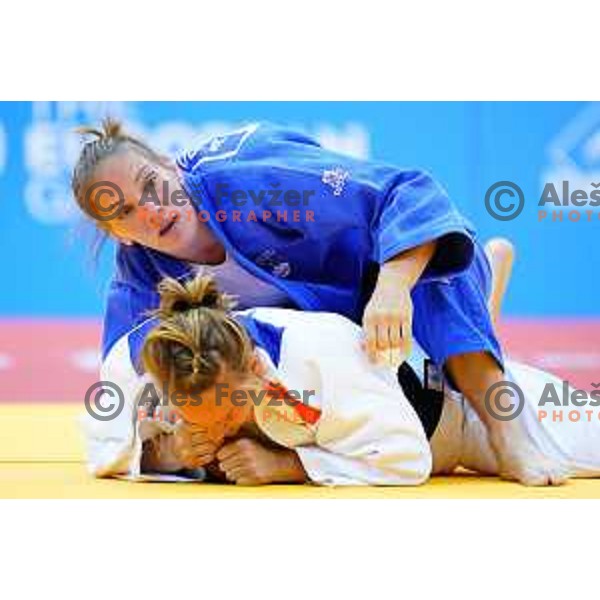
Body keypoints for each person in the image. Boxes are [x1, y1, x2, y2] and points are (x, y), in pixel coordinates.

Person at [72, 119, 561, 484]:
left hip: (374, 280)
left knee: (432, 269)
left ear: (167, 164)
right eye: (125, 212)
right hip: (331, 333)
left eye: (150, 185)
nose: (152, 209)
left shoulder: (253, 178)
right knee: (214, 405)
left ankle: (504, 423)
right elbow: (121, 393)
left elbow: (411, 192)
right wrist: (168, 448)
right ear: (116, 234)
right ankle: (479, 312)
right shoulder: (138, 277)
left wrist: (393, 285)